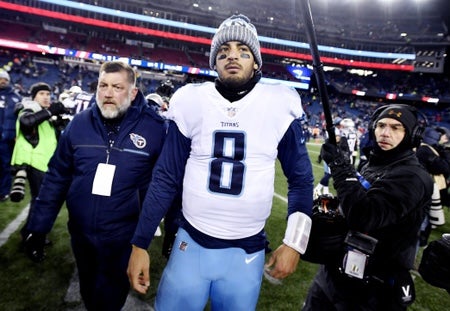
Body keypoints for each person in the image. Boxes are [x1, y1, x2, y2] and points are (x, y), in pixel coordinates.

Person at [128, 14, 314, 310]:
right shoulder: (191, 99)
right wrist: (140, 243)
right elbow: (166, 176)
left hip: (247, 250)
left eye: (243, 50)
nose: (232, 56)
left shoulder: (278, 103)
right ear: (214, 62)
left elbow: (301, 180)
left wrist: (295, 242)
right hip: (191, 240)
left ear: (257, 62)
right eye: (224, 51)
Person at [22, 61, 167, 311]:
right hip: (81, 231)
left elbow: (164, 183)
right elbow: (58, 176)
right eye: (103, 85)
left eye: (117, 87)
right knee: (88, 286)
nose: (108, 93)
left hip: (123, 234)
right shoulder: (78, 124)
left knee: (113, 293)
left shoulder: (155, 128)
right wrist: (39, 225)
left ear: (132, 93)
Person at [303, 104, 433, 310]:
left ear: (412, 135)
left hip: (373, 290)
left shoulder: (413, 177)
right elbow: (352, 203)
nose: (385, 132)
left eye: (396, 127)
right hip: (335, 277)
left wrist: (341, 168)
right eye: (381, 125)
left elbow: (364, 216)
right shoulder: (373, 164)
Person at [10, 82, 67, 241]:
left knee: (41, 200)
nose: (46, 97)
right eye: (42, 94)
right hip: (34, 161)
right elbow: (26, 122)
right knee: (40, 200)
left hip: (43, 162)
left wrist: (59, 121)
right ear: (34, 96)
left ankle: (30, 232)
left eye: (48, 94)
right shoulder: (30, 107)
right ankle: (31, 234)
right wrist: (49, 112)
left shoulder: (42, 112)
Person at [0, 69, 22, 201]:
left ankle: (3, 192)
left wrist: (16, 135)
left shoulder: (16, 97)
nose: (2, 81)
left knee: (5, 165)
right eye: (0, 79)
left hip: (7, 138)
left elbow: (20, 119)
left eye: (5, 79)